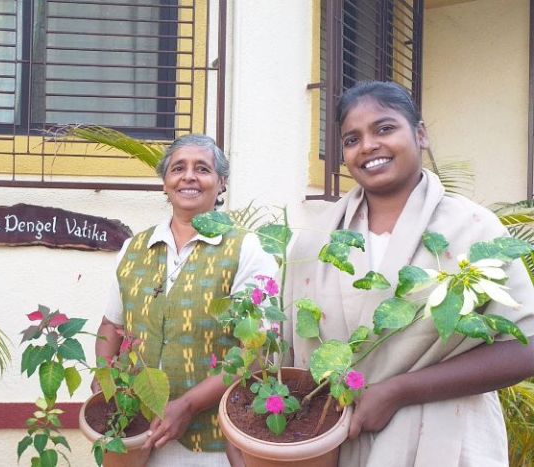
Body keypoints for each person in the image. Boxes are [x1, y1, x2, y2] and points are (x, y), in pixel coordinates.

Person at [283, 81, 534, 466]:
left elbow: (525, 347)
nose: (367, 146)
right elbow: (286, 357)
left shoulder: (473, 230)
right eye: (352, 139)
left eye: (384, 129)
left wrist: (397, 391)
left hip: (448, 440)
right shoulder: (314, 243)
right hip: (336, 444)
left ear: (420, 134)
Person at [95, 134, 277, 466]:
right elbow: (111, 325)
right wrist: (103, 383)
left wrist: (189, 404)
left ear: (221, 183)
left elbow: (257, 351)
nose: (189, 176)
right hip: (136, 438)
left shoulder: (247, 249)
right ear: (165, 181)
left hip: (214, 444)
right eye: (178, 168)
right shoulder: (134, 249)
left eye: (202, 169)